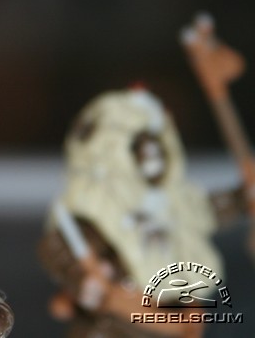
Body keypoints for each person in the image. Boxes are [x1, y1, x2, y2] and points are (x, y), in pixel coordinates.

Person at [38, 87, 247, 338]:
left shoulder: (173, 197)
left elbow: (203, 210)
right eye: (142, 149)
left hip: (169, 316)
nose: (152, 161)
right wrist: (84, 278)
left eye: (156, 147)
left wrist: (241, 199)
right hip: (113, 322)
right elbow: (59, 247)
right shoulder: (96, 204)